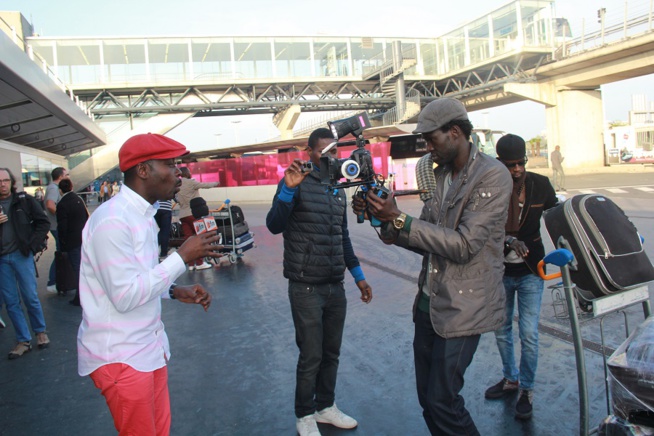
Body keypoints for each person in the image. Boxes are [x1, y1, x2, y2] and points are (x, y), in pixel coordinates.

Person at [352, 98, 512, 435]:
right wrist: (382, 217)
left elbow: (465, 245)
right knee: (428, 400)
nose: (427, 147)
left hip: (463, 308)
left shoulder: (492, 176)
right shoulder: (440, 176)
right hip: (429, 304)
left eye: (431, 139)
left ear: (455, 132)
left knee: (443, 400)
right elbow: (420, 234)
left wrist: (399, 219)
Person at [77, 133, 219, 435]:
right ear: (143, 170)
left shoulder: (143, 215)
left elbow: (138, 275)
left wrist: (174, 291)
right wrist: (182, 257)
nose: (178, 172)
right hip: (122, 357)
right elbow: (125, 295)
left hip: (146, 350)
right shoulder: (112, 221)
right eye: (170, 164)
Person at [266, 128, 373, 436]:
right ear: (309, 152)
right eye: (324, 153)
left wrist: (359, 277)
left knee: (331, 352)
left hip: (334, 285)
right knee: (311, 355)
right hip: (305, 287)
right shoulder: (295, 183)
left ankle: (325, 407)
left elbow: (343, 238)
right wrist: (287, 190)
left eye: (334, 152)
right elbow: (274, 225)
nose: (331, 158)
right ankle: (304, 415)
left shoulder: (337, 189)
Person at [484, 134, 558, 419]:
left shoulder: (540, 185)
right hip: (500, 271)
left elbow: (557, 217)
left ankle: (526, 388)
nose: (516, 170)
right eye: (510, 165)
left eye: (521, 163)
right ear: (500, 163)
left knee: (528, 333)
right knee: (501, 330)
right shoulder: (490, 188)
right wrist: (506, 239)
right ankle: (510, 378)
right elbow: (481, 227)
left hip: (531, 270)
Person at [0, 167, 51, 359]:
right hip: (2, 259)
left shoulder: (23, 201)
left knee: (30, 296)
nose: (2, 184)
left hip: (22, 255)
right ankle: (23, 340)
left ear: (11, 182)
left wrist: (32, 245)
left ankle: (40, 332)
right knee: (11, 302)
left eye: (5, 180)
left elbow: (43, 222)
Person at [176, 167, 219, 271]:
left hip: (183, 215)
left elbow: (176, 199)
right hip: (193, 214)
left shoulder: (178, 184)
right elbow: (205, 185)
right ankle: (200, 263)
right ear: (188, 173)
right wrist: (216, 183)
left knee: (188, 239)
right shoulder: (191, 182)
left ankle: (191, 264)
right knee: (200, 238)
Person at [56, 178, 89, 307]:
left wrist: (62, 243)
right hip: (82, 238)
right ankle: (83, 294)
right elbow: (86, 217)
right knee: (82, 267)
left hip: (71, 240)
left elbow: (62, 227)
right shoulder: (79, 200)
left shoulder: (62, 204)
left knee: (76, 268)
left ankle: (80, 296)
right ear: (71, 186)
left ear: (60, 190)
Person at [45, 166, 69, 294]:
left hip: (56, 226)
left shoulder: (52, 188)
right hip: (56, 226)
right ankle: (53, 281)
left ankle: (57, 281)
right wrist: (62, 216)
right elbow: (50, 205)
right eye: (67, 175)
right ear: (60, 176)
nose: (68, 177)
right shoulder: (54, 189)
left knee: (61, 252)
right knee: (60, 253)